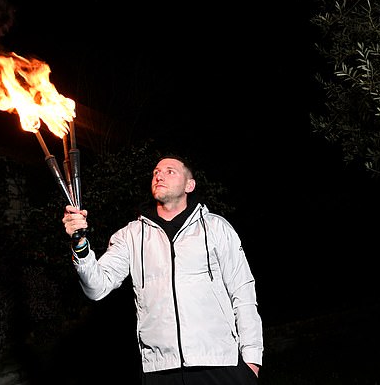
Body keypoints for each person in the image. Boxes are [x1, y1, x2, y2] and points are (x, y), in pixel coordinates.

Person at [62, 155, 263, 384]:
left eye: (170, 171)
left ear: (190, 185)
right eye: (156, 171)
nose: (159, 175)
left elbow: (243, 292)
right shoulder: (131, 235)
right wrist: (80, 245)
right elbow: (96, 288)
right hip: (160, 370)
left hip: (219, 362)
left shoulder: (216, 228)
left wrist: (252, 360)